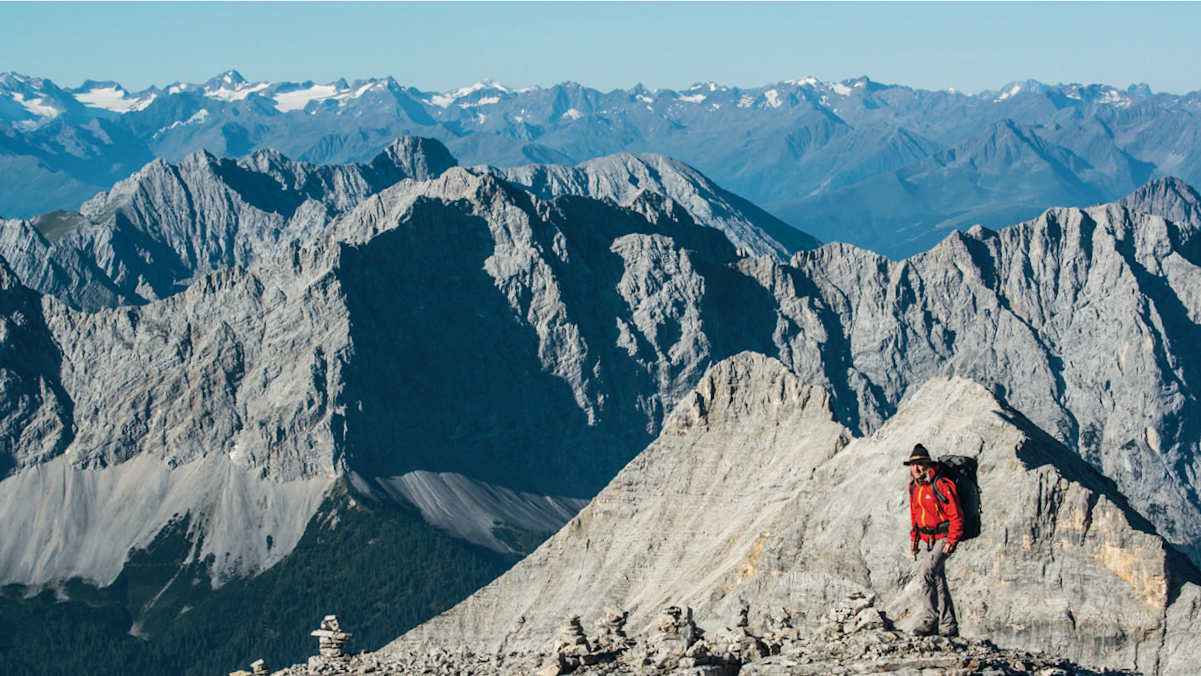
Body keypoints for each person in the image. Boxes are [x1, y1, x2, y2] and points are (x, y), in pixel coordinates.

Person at [904, 443, 964, 637]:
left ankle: (930, 620)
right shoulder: (915, 487)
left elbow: (956, 514)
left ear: (928, 464)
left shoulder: (941, 485)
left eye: (920, 464)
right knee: (938, 580)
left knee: (926, 574)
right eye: (913, 465)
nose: (916, 468)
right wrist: (914, 541)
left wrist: (952, 540)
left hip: (944, 537)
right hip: (928, 538)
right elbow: (915, 515)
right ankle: (949, 626)